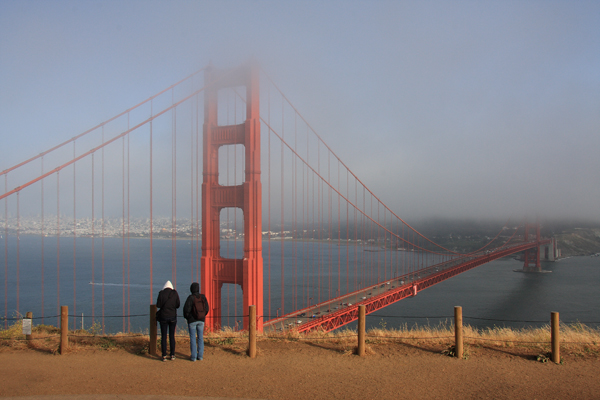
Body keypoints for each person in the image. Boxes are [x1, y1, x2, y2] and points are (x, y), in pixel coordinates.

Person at [183, 282, 209, 361]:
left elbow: (186, 310)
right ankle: (200, 356)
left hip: (192, 321)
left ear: (191, 289)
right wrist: (202, 316)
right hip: (201, 320)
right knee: (200, 337)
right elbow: (207, 308)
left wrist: (188, 318)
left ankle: (193, 357)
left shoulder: (190, 298)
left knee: (193, 338)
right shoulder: (203, 297)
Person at [156, 280, 180, 361]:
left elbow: (158, 305)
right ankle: (172, 355)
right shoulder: (175, 293)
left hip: (163, 318)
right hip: (173, 317)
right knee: (171, 336)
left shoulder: (161, 293)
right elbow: (178, 305)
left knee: (163, 336)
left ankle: (164, 355)